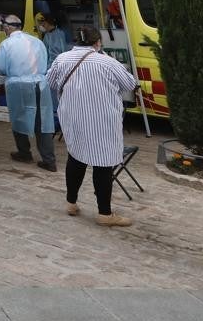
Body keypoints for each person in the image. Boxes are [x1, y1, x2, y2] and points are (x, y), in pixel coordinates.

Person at [47, 26, 137, 227]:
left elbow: (50, 82)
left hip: (73, 117)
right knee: (103, 164)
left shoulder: (61, 59)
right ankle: (104, 213)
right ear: (97, 43)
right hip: (102, 120)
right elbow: (130, 84)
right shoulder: (108, 62)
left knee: (76, 157)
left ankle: (71, 203)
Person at [0, 15, 57, 172]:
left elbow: (0, 68)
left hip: (19, 84)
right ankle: (49, 159)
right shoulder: (37, 41)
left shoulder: (6, 44)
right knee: (43, 121)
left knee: (19, 117)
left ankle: (24, 152)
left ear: (7, 27)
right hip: (41, 83)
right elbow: (46, 59)